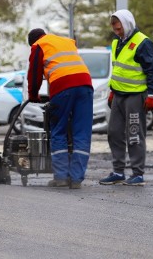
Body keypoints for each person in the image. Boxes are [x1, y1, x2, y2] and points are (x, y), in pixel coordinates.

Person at [27, 28, 93, 189]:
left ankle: (61, 177)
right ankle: (76, 179)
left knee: (58, 130)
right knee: (82, 133)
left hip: (63, 88)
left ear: (32, 41)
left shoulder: (38, 45)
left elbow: (34, 75)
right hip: (85, 85)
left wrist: (33, 95)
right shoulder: (66, 42)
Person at [99, 10, 153, 187]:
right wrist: (111, 91)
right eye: (115, 28)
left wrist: (152, 95)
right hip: (118, 95)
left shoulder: (143, 42)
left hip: (135, 95)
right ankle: (118, 171)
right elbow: (117, 69)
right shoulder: (117, 41)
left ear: (127, 24)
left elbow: (151, 70)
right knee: (114, 133)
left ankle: (137, 173)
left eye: (119, 28)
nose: (117, 31)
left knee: (134, 134)